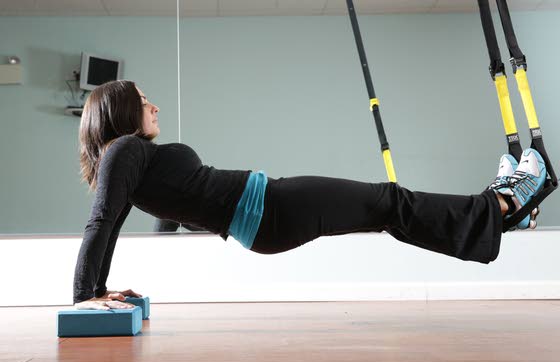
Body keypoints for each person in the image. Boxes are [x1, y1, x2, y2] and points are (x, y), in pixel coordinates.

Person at [73, 80, 547, 310]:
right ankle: (507, 200)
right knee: (389, 200)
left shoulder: (133, 159)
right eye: (142, 99)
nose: (153, 104)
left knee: (389, 210)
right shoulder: (126, 149)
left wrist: (98, 291)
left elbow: (157, 211)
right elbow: (102, 222)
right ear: (120, 111)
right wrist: (83, 298)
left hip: (268, 212)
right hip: (271, 210)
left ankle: (504, 216)